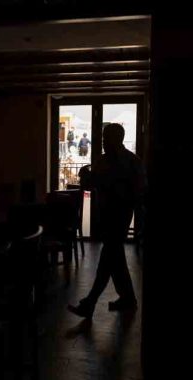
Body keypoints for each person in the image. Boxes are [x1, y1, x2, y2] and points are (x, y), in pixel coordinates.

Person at [67, 123, 147, 318]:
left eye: (106, 138)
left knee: (108, 259)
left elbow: (139, 193)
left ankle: (90, 302)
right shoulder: (128, 161)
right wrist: (86, 178)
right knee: (115, 258)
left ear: (117, 139)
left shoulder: (124, 162)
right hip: (111, 216)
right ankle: (128, 298)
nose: (102, 141)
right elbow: (92, 185)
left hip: (119, 217)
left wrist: (89, 178)